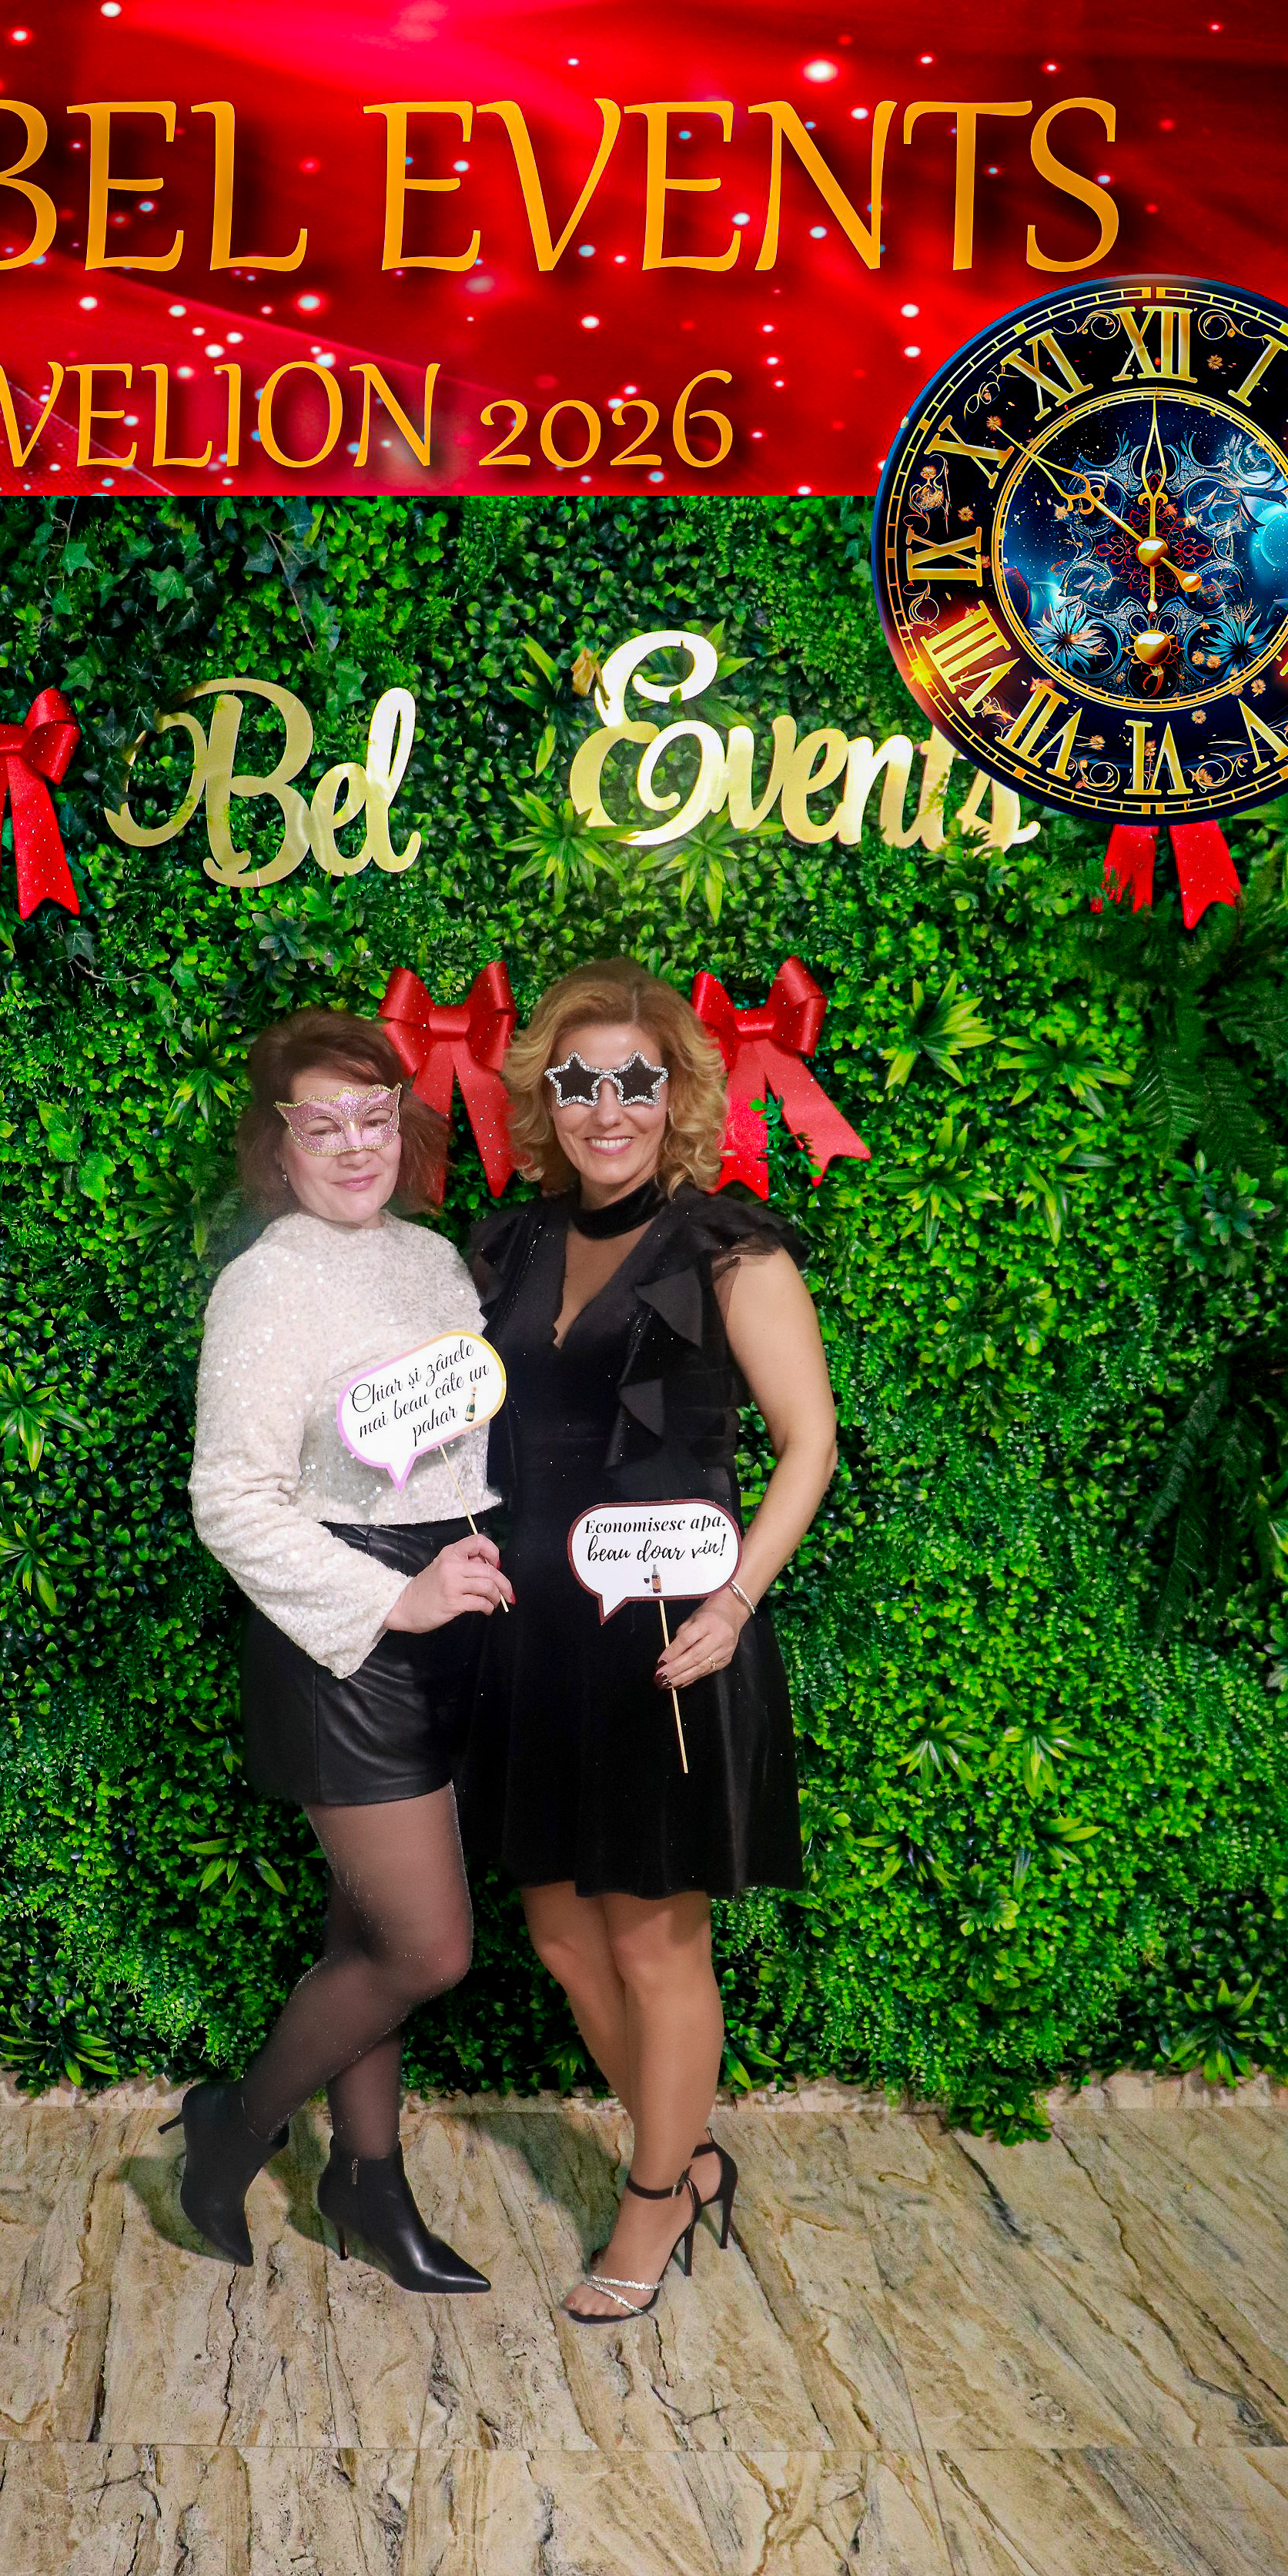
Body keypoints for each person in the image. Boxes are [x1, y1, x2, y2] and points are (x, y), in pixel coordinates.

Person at [461, 959, 839, 2323]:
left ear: (677, 1095)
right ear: (544, 1096)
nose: (606, 1107)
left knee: (652, 1948)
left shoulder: (732, 1249)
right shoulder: (506, 1245)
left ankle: (651, 2194)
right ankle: (687, 2158)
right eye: (579, 1081)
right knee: (564, 1939)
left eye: (634, 1080)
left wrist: (735, 1605)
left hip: (670, 1637)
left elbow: (809, 1444)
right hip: (531, 1636)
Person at [177, 1007, 510, 2290]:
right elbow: (232, 1500)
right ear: (279, 1146)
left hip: (447, 1615)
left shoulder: (433, 1260)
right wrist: (394, 1600)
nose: (356, 1144)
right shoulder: (265, 1286)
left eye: (375, 1116)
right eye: (323, 1125)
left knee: (367, 1929)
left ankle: (369, 2182)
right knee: (426, 1949)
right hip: (347, 1640)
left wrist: (471, 1558)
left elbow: (449, 1445)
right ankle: (237, 2124)